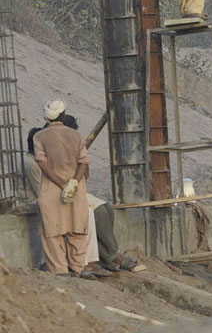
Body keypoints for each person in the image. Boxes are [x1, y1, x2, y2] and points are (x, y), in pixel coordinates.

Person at [26, 117, 135, 276]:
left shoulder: (67, 148)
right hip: (57, 194)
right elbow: (42, 189)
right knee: (87, 217)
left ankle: (107, 255)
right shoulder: (39, 157)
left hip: (73, 190)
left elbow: (84, 174)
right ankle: (90, 262)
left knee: (103, 209)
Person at [32, 99, 95, 279]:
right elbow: (83, 162)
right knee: (77, 228)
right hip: (76, 190)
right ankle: (78, 267)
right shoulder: (75, 136)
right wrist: (73, 183)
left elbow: (43, 165)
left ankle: (59, 269)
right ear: (64, 115)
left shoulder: (39, 137)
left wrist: (61, 184)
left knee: (52, 231)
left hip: (51, 189)